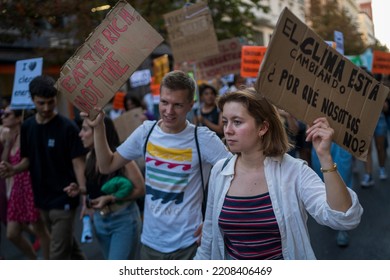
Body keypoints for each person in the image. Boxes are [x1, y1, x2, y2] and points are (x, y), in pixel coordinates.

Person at [194, 87, 363, 260]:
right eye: (225, 121)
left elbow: (345, 218)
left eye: (237, 122)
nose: (228, 130)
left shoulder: (293, 171)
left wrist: (325, 157)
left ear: (263, 127)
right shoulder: (220, 171)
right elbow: (209, 240)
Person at [82, 70, 231, 260]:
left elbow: (235, 177)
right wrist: (98, 127)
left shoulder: (203, 138)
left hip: (189, 245)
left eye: (177, 105)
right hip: (150, 244)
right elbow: (107, 165)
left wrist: (212, 222)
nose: (169, 111)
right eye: (164, 102)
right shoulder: (146, 132)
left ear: (190, 105)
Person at [0, 75, 88, 260]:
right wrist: (13, 169)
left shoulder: (67, 127)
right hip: (41, 199)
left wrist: (84, 193)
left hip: (65, 198)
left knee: (57, 256)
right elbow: (27, 159)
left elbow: (78, 163)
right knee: (70, 250)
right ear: (32, 100)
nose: (47, 108)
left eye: (51, 102)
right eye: (41, 103)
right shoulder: (28, 127)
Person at [65, 117, 144, 259]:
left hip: (123, 220)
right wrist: (81, 190)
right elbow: (96, 189)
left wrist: (111, 198)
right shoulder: (89, 156)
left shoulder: (122, 157)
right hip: (100, 221)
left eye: (85, 129)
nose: (80, 134)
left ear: (99, 131)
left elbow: (141, 189)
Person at [0, 107, 50, 259]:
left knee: (40, 230)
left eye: (7, 115)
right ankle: (34, 259)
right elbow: (3, 163)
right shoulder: (10, 138)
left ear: (17, 118)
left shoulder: (26, 136)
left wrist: (14, 168)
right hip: (17, 187)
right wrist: (7, 144)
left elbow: (29, 161)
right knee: (12, 233)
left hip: (30, 185)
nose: (3, 117)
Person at [311, 143, 354, 247]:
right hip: (320, 138)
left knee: (343, 180)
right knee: (322, 181)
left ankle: (343, 226)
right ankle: (329, 211)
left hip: (343, 141)